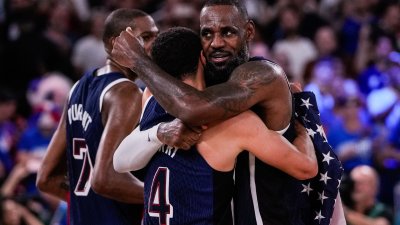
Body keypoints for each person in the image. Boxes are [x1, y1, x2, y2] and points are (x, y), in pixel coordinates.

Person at [112, 1, 345, 224]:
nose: (216, 43)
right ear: (201, 54)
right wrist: (161, 132)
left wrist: (139, 60)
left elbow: (192, 109)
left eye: (228, 32)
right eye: (207, 34)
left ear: (249, 31)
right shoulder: (216, 112)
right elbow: (119, 160)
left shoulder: (261, 75)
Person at [36, 8, 159, 225]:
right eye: (146, 37)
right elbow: (104, 179)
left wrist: (84, 198)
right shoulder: (126, 93)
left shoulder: (77, 87)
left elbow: (46, 179)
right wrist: (163, 197)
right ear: (116, 43)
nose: (155, 45)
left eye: (157, 36)